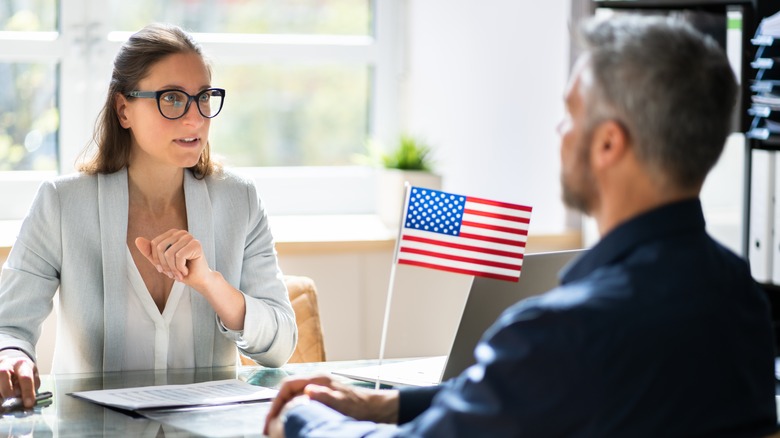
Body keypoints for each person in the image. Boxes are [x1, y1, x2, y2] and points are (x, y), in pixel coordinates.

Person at [264, 15, 778, 437]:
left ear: (608, 145)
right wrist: (387, 404)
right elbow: (542, 391)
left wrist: (302, 419)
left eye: (571, 115)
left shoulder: (566, 330)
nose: (559, 132)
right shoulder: (742, 300)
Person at [0, 23, 297, 408]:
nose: (196, 119)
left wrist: (211, 284)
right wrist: (11, 356)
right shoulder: (61, 203)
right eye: (172, 99)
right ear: (124, 109)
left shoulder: (240, 200)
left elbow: (281, 347)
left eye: (204, 97)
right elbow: (9, 326)